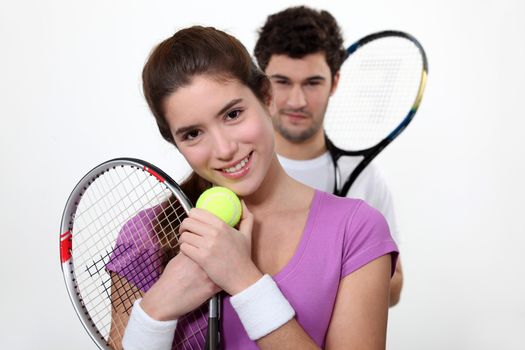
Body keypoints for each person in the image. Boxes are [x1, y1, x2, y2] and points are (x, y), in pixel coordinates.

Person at [107, 26, 398, 349]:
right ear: (175, 142)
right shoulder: (148, 235)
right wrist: (157, 308)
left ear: (267, 98)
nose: (224, 148)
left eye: (233, 114)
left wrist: (243, 279)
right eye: (192, 134)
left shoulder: (355, 230)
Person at [253, 5, 404, 306]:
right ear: (262, 84)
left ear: (335, 82)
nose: (297, 101)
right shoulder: (238, 168)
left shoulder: (365, 178)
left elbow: (395, 287)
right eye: (282, 82)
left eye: (312, 83)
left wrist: (336, 268)